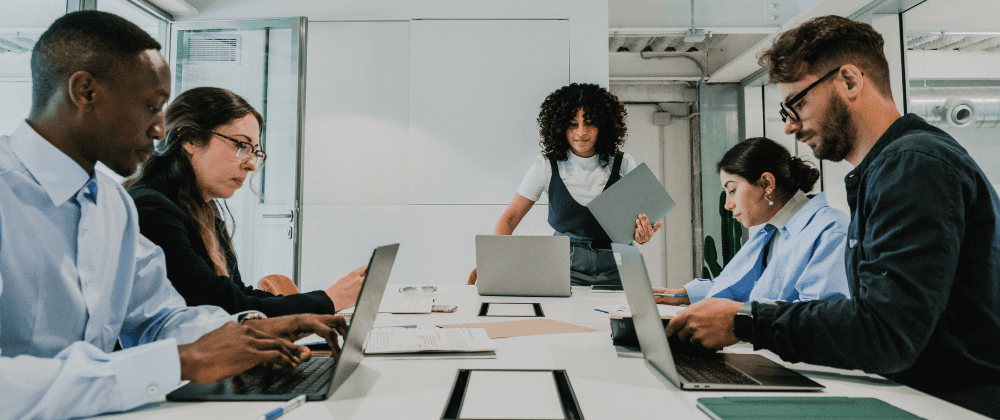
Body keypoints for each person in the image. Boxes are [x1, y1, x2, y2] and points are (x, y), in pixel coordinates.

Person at [0, 11, 348, 420]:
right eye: (150, 106)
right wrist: (178, 361)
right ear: (85, 92)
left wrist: (248, 331)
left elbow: (159, 317)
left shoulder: (112, 205)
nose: (161, 129)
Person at [664, 15, 1000, 418]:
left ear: (850, 81)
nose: (789, 126)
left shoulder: (914, 165)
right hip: (916, 394)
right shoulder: (888, 169)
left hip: (952, 405)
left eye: (798, 103)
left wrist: (747, 322)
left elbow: (886, 331)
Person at [124, 86, 366, 317]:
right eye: (241, 145)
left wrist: (324, 303)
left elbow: (236, 295)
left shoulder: (203, 208)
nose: (251, 164)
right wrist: (330, 300)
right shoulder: (152, 211)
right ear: (189, 139)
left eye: (254, 151)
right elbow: (223, 308)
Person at [469, 83, 662, 287]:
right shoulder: (546, 166)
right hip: (564, 268)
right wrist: (490, 262)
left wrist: (643, 236)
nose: (581, 132)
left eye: (590, 123)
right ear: (560, 126)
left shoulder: (623, 163)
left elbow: (649, 221)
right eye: (572, 124)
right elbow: (510, 218)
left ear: (603, 125)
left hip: (620, 267)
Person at [654, 137, 849, 306]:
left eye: (732, 190)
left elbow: (821, 315)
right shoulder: (773, 233)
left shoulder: (832, 231)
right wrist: (685, 295)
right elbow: (742, 288)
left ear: (767, 183)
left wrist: (739, 316)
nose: (728, 204)